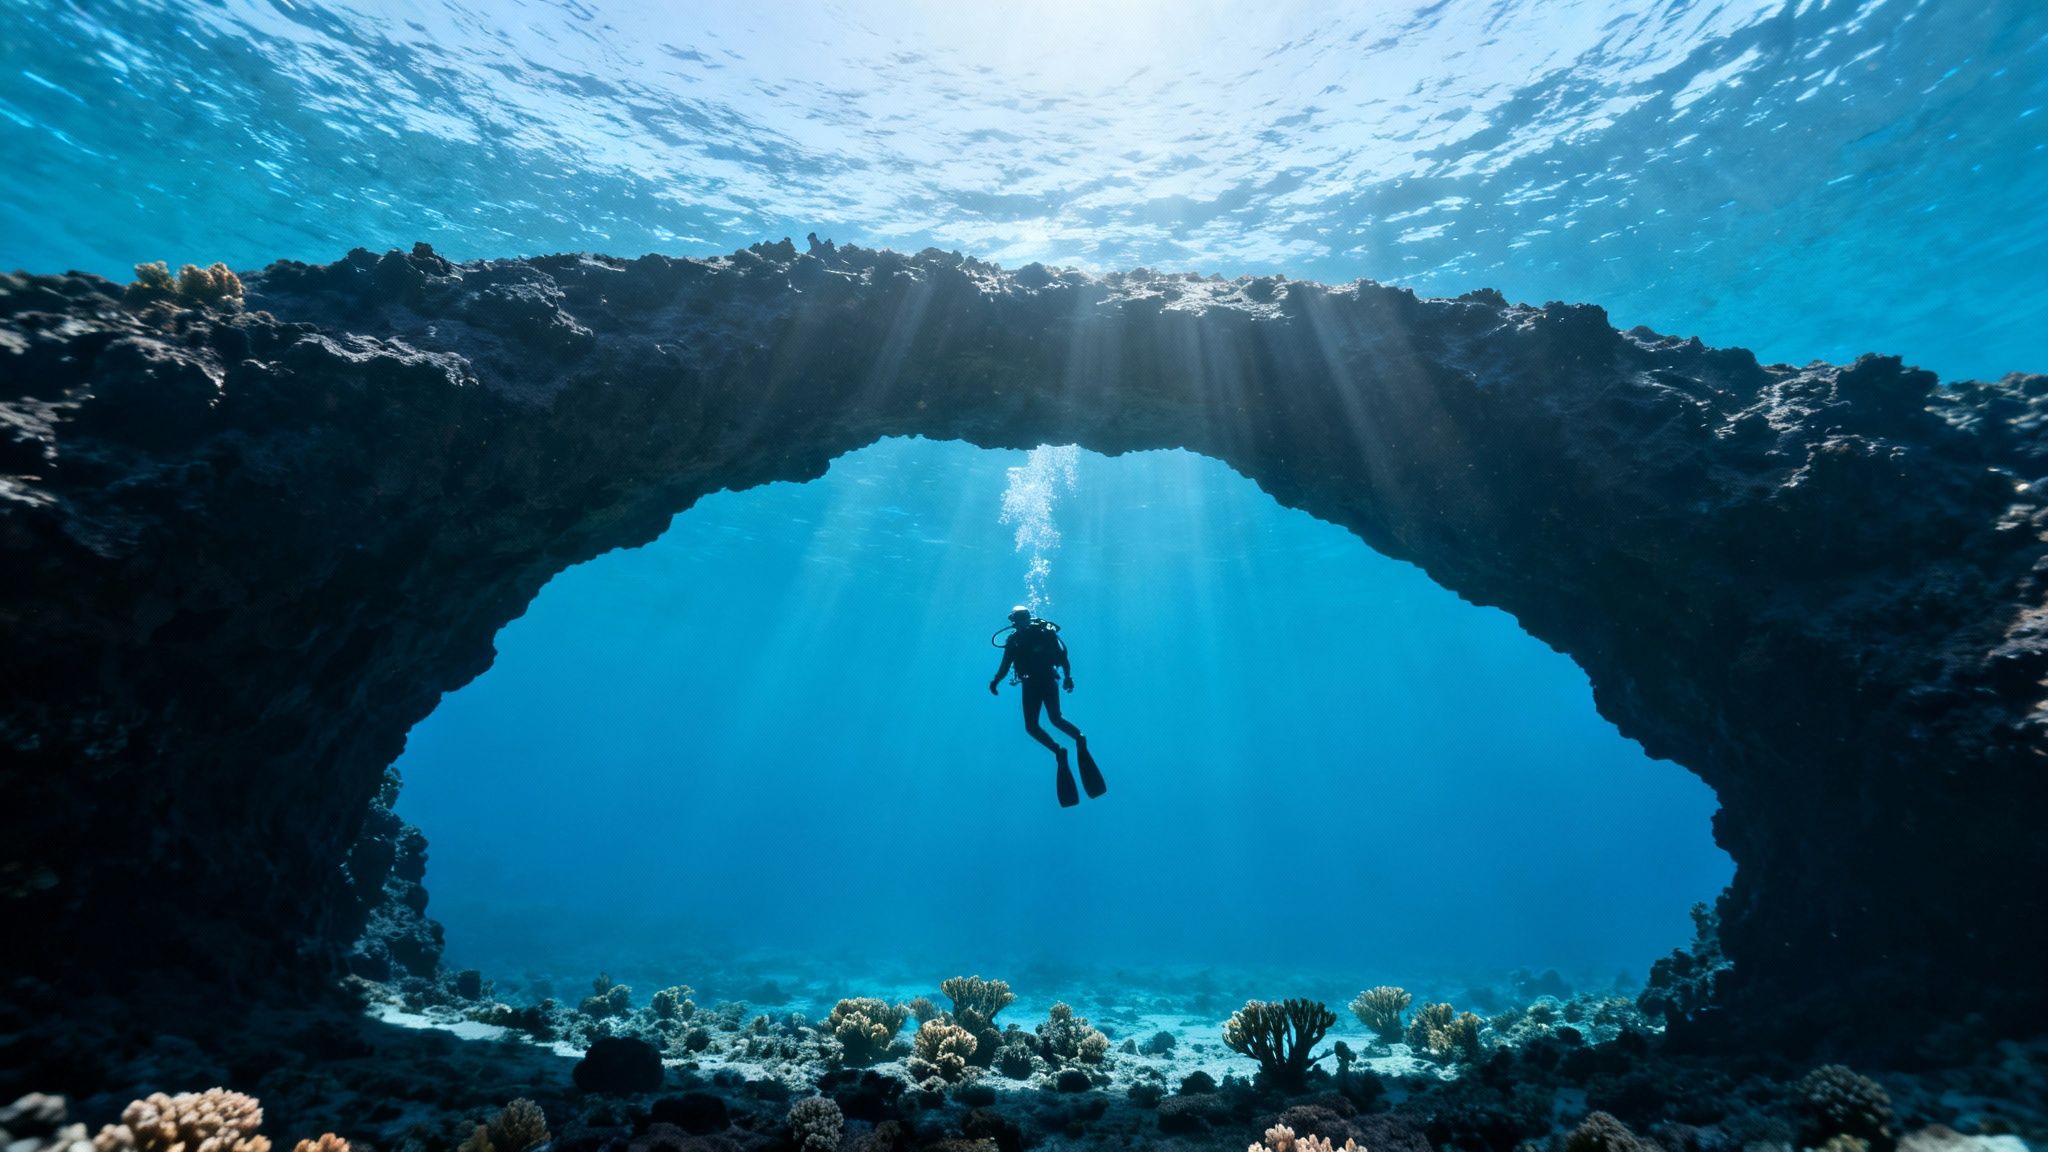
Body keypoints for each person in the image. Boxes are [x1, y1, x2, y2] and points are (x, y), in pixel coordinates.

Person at [990, 605, 1107, 807]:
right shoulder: (1014, 641)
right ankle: (1061, 750)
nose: (1022, 620)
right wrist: (996, 681)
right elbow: (1005, 666)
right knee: (1036, 725)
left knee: (1052, 720)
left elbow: (1062, 658)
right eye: (1019, 618)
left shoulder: (1043, 634)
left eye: (1024, 616)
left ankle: (1077, 740)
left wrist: (1068, 677)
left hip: (1043, 681)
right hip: (1033, 683)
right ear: (1014, 621)